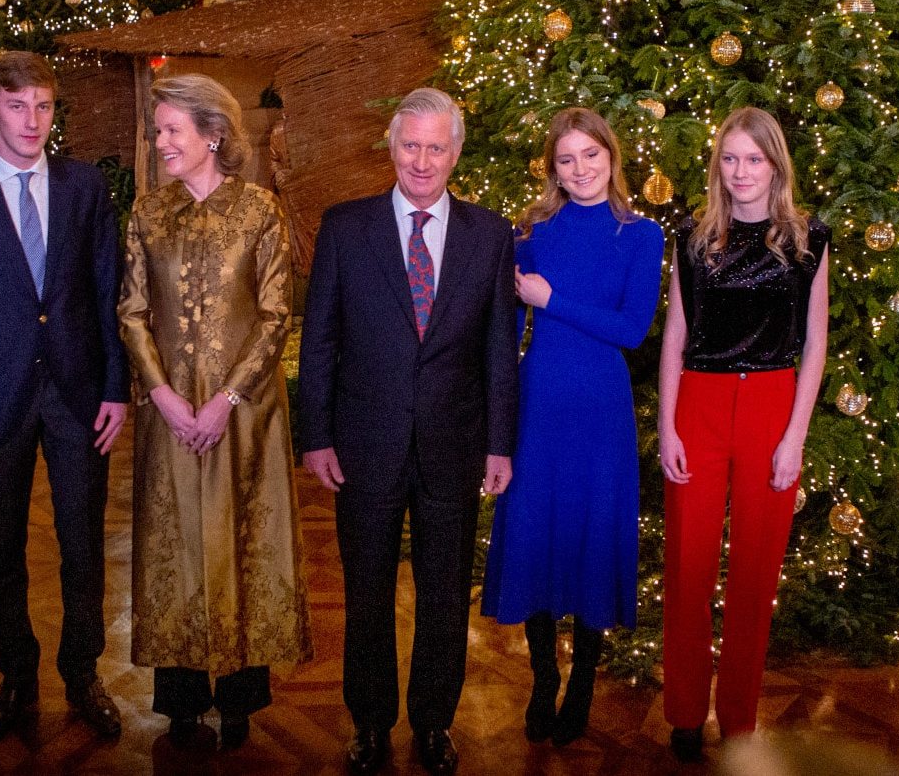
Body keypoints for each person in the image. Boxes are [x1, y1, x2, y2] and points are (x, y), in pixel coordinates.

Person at [298, 86, 518, 776]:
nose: (421, 161)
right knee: (364, 592)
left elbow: (496, 351)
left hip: (455, 446)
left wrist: (500, 443)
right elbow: (320, 341)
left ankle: (432, 722)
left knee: (445, 595)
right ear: (391, 148)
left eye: (436, 147)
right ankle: (369, 723)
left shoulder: (491, 234)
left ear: (455, 153)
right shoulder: (344, 227)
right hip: (363, 445)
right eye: (409, 145)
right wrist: (316, 434)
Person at [0, 51, 129, 744]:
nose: (32, 120)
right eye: (17, 106)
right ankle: (15, 676)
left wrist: (115, 389)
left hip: (78, 398)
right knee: (0, 547)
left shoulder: (84, 188)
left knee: (82, 544)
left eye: (42, 105)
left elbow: (108, 293)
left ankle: (83, 672)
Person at [116, 72, 312, 752]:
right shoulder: (146, 214)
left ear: (213, 134)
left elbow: (275, 314)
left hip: (247, 417)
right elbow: (133, 314)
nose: (160, 140)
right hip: (167, 418)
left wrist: (228, 398)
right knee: (177, 545)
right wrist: (165, 397)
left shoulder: (261, 212)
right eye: (158, 129)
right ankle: (180, 701)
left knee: (242, 544)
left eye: (171, 129)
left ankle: (238, 698)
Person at [480, 107, 663, 746]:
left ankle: (582, 678)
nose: (580, 169)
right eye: (566, 159)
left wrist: (551, 299)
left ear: (612, 158)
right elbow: (502, 326)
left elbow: (632, 329)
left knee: (588, 531)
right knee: (537, 530)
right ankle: (540, 679)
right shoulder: (531, 231)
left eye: (591, 155)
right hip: (540, 402)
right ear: (552, 168)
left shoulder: (641, 235)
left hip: (601, 405)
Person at [657, 106, 830, 761]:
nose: (740, 171)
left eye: (753, 159)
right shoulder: (696, 238)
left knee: (754, 575)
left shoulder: (808, 239)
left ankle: (738, 719)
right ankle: (682, 712)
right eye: (730, 158)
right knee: (689, 568)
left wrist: (795, 436)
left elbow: (815, 343)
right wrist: (668, 425)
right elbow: (675, 335)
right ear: (717, 166)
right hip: (698, 405)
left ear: (775, 165)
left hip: (771, 406)